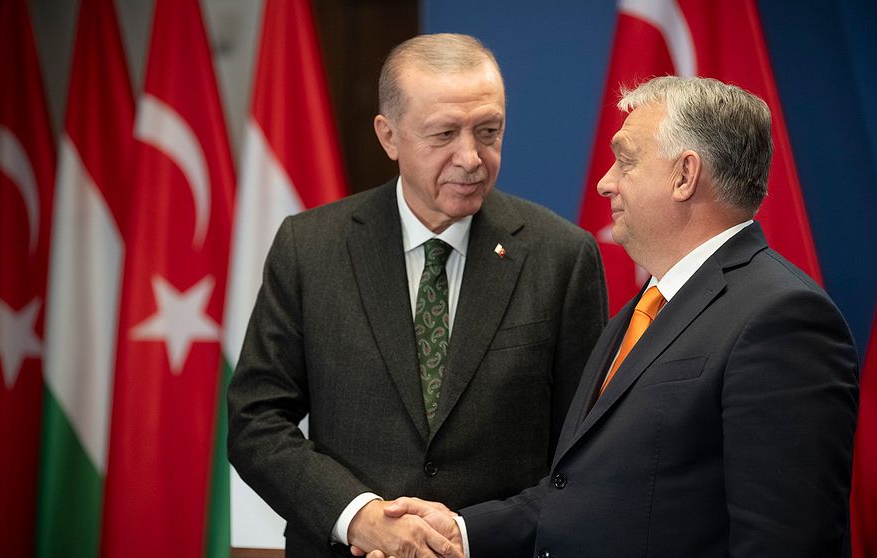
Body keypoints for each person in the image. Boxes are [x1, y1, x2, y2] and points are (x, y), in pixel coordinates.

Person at [379, 76, 860, 557]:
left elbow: (785, 541)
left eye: (626, 161)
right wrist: (459, 533)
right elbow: (582, 491)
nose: (604, 182)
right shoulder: (647, 307)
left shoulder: (782, 319)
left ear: (685, 175)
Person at [226, 33, 608, 558]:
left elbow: (584, 454)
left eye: (489, 131)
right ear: (389, 136)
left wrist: (471, 533)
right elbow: (256, 421)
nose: (471, 158)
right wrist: (357, 517)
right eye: (444, 134)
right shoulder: (310, 247)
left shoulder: (562, 256)